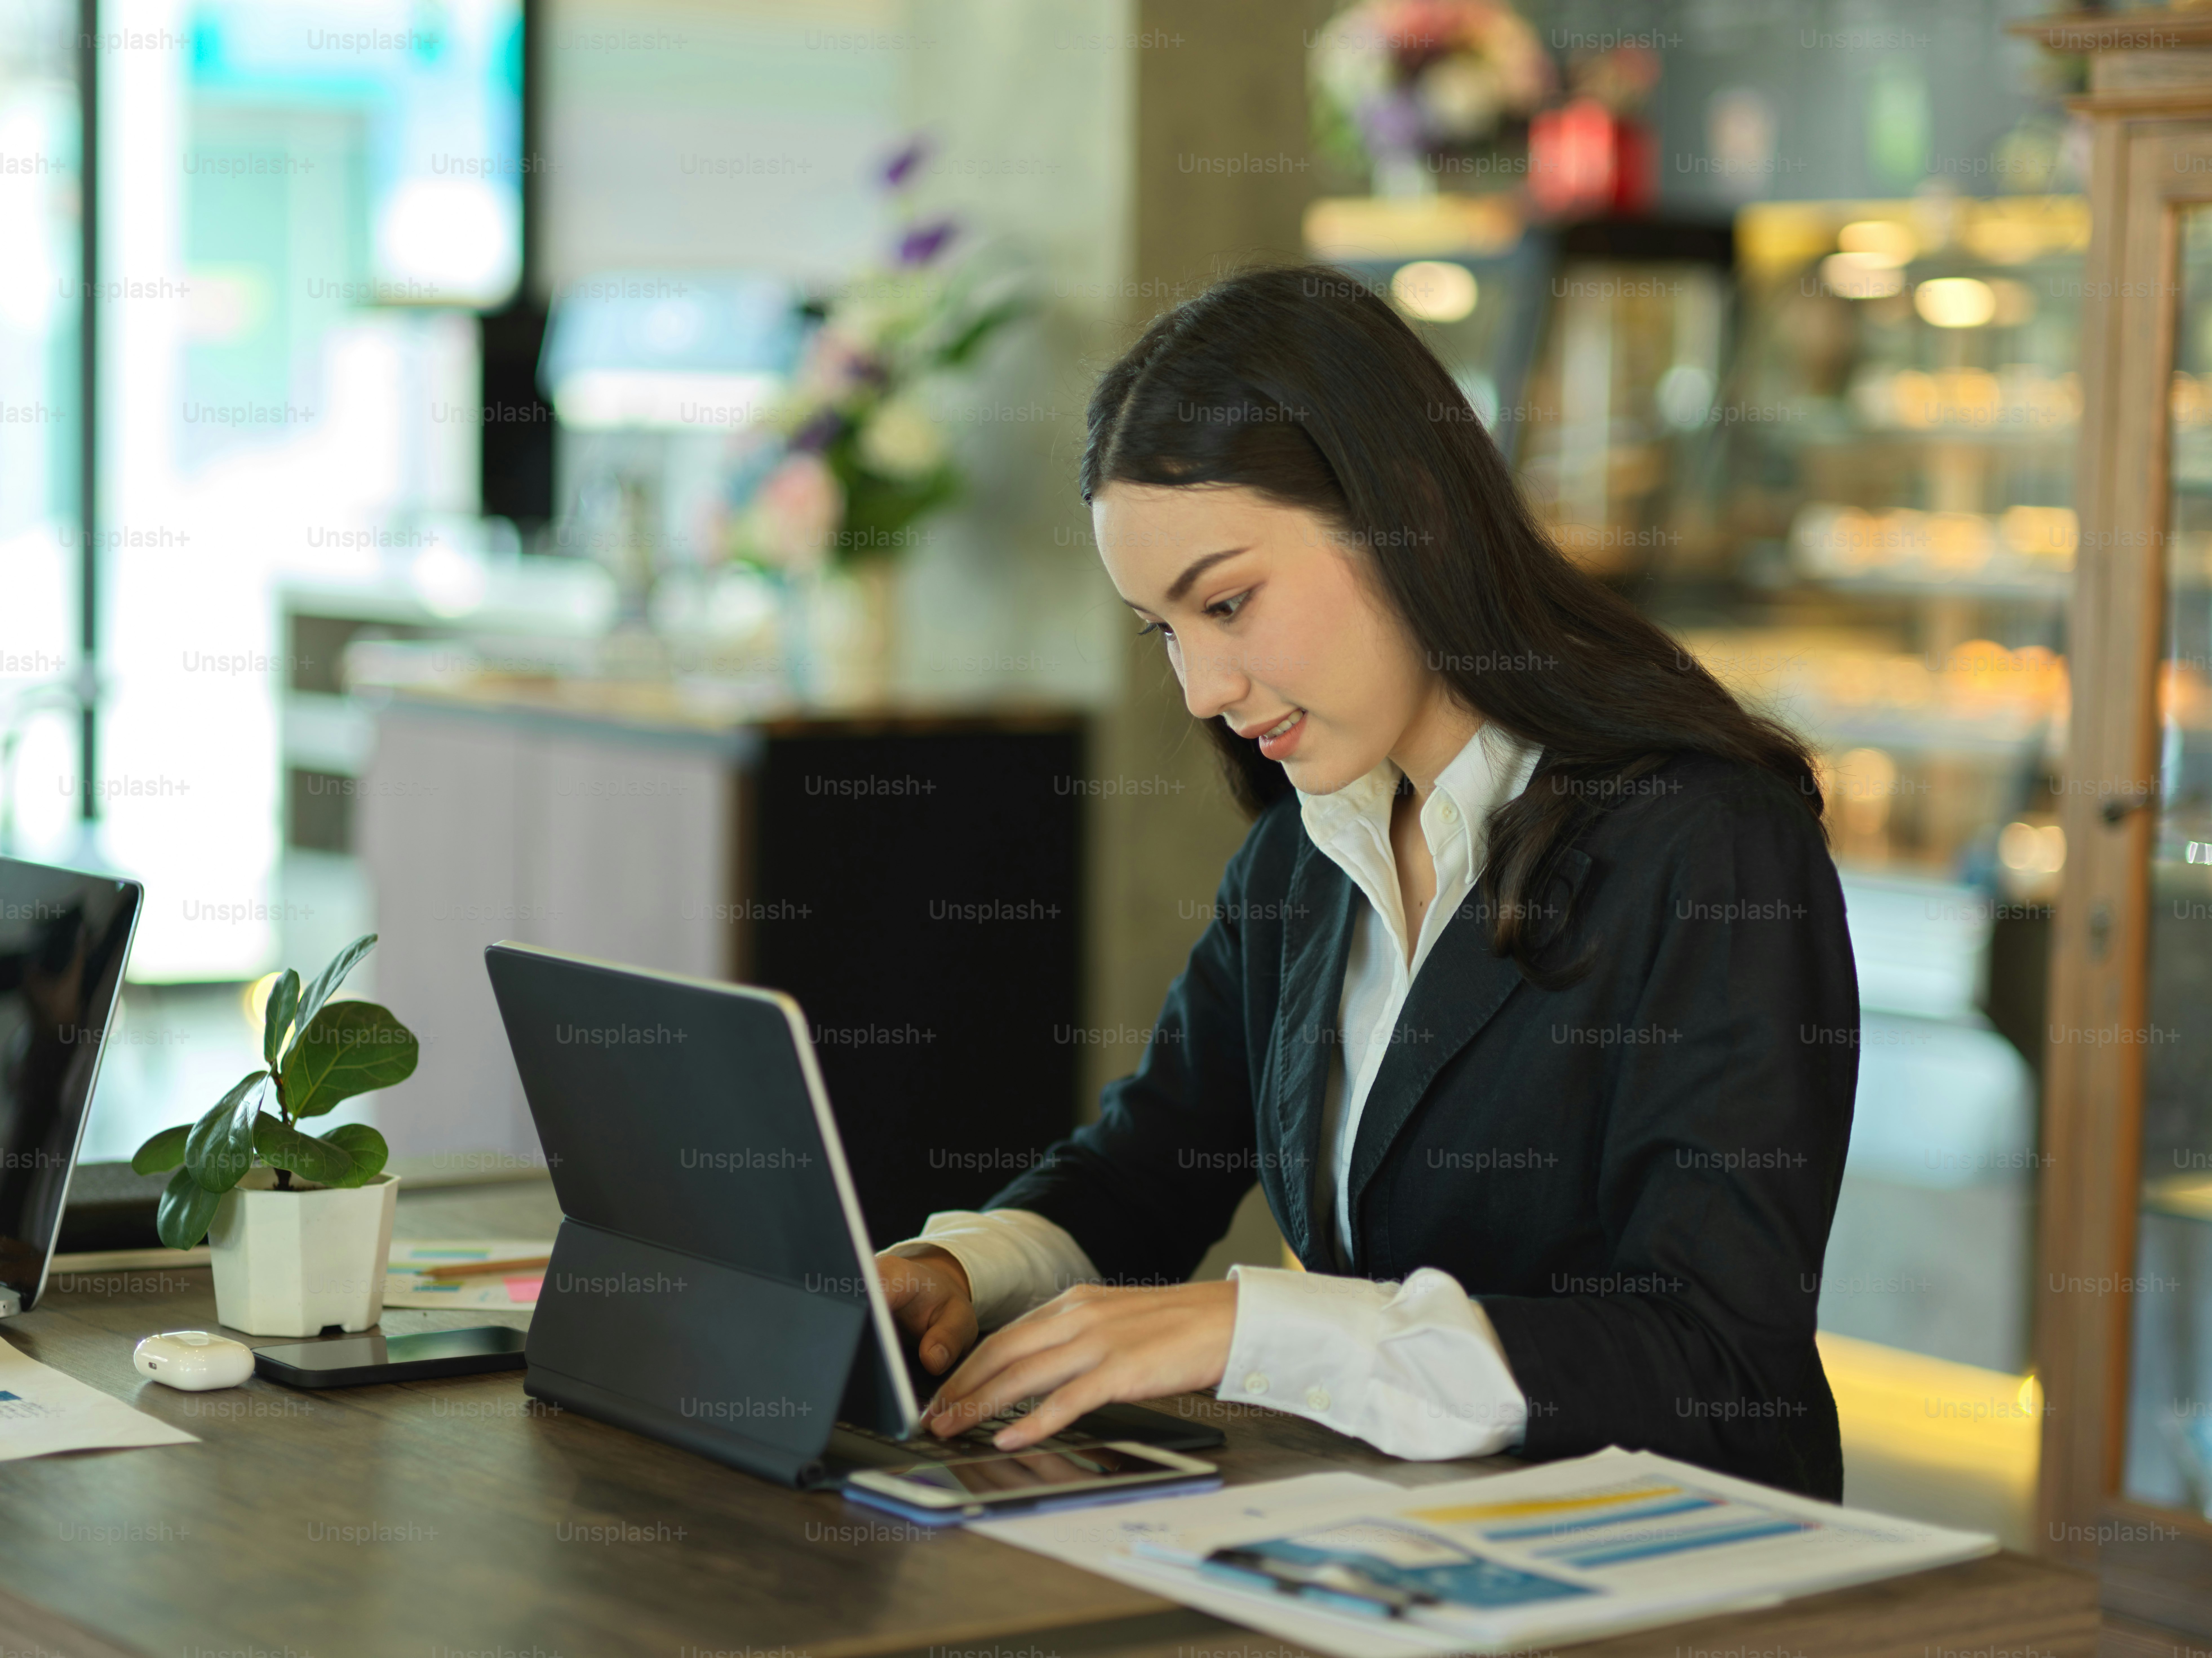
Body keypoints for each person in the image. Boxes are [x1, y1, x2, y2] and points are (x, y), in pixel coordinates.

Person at [874, 265, 1858, 1500]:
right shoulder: (1310, 849)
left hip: (1668, 1579)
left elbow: (1721, 1367)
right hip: (1408, 1552)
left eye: (1227, 602)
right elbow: (1149, 1168)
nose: (1201, 690)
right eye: (1164, 630)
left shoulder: (1708, 848)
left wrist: (1256, 1327)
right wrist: (962, 1269)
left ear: (1407, 515)